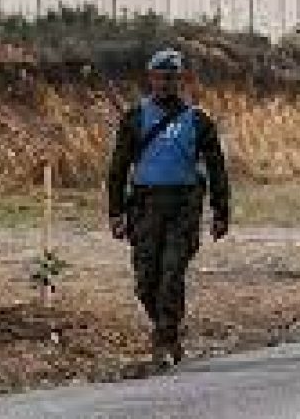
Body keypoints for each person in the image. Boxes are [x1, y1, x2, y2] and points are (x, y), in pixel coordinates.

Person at [107, 48, 231, 367]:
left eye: (172, 77)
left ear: (181, 80)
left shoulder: (199, 120)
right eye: (160, 77)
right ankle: (168, 331)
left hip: (184, 205)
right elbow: (118, 168)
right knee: (146, 279)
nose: (165, 83)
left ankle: (164, 338)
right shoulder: (134, 118)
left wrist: (221, 211)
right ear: (151, 79)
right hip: (144, 206)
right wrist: (115, 211)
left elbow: (217, 168)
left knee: (172, 273)